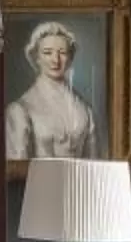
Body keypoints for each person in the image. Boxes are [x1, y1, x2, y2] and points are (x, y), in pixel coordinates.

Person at [6, 19, 97, 160]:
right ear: (36, 57)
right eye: (47, 53)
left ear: (70, 57)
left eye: (62, 52)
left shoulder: (84, 110)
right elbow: (16, 170)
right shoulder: (20, 110)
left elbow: (94, 166)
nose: (56, 60)